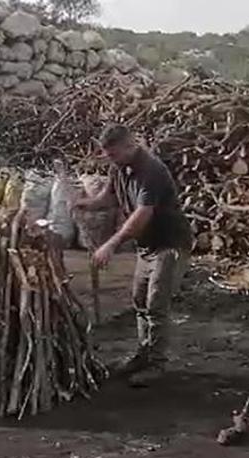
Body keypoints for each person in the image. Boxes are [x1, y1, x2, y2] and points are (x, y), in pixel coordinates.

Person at [72, 124, 193, 378]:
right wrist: (82, 204)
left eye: (113, 154)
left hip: (168, 244)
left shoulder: (152, 171)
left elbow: (142, 214)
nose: (110, 160)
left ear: (130, 145)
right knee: (140, 302)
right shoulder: (118, 166)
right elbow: (108, 198)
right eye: (107, 155)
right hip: (147, 246)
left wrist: (112, 244)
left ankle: (157, 364)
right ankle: (143, 354)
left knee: (156, 303)